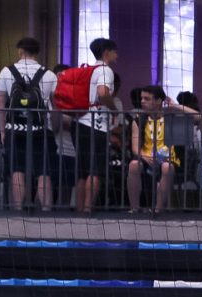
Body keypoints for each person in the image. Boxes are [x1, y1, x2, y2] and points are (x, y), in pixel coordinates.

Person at [0, 36, 57, 211]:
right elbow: (56, 105)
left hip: (14, 128)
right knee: (44, 171)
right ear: (38, 52)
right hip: (40, 129)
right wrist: (54, 128)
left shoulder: (6, 72)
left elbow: (0, 103)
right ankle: (46, 210)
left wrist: (2, 130)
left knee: (17, 169)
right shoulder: (49, 75)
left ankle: (18, 209)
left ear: (20, 51)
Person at [58, 36, 119, 215]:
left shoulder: (88, 70)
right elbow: (103, 93)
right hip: (96, 125)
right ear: (107, 52)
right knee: (95, 170)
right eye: (115, 52)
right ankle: (88, 208)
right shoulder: (105, 70)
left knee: (82, 170)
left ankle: (79, 209)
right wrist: (114, 109)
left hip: (78, 122)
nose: (117, 55)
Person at [125, 86, 178, 214]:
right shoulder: (138, 120)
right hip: (146, 157)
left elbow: (199, 117)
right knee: (133, 165)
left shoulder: (171, 118)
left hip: (168, 158)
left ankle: (157, 210)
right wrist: (144, 156)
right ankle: (135, 208)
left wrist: (176, 106)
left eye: (147, 99)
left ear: (159, 101)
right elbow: (135, 148)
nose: (142, 101)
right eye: (142, 98)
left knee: (166, 167)